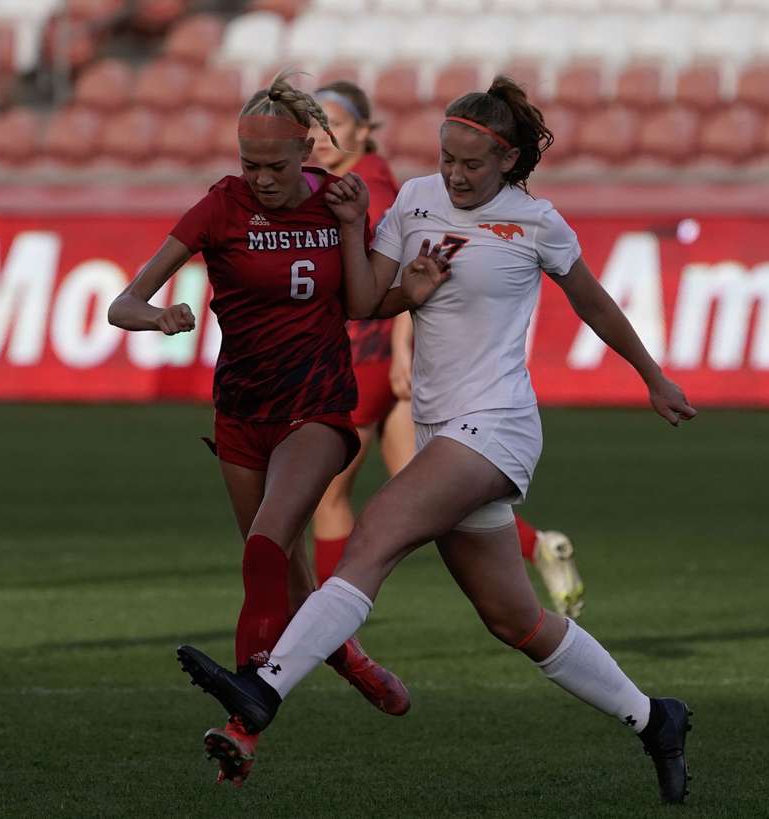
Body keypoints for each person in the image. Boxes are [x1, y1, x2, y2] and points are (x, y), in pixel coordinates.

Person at [177, 77, 698, 804]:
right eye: (447, 157)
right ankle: (655, 718)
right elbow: (365, 301)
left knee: (370, 539)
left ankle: (261, 692)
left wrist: (652, 375)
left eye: (472, 164)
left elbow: (592, 301)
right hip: (437, 429)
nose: (455, 173)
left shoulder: (537, 221)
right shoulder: (416, 198)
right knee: (514, 619)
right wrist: (369, 242)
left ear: (509, 160)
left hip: (496, 426)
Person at [109, 71, 416, 786]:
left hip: (317, 406)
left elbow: (366, 300)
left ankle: (245, 726)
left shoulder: (339, 202)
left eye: (275, 166)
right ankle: (349, 657)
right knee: (294, 575)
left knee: (265, 543)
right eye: (251, 164)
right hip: (241, 412)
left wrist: (385, 257)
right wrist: (158, 316)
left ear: (308, 151)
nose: (261, 178)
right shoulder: (221, 205)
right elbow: (126, 301)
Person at [311, 81, 585, 618]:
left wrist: (400, 351)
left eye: (335, 126)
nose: (321, 139)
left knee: (331, 497)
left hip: (368, 357)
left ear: (365, 132)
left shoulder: (377, 188)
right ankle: (538, 545)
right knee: (427, 486)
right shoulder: (376, 184)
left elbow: (411, 269)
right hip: (396, 361)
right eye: (314, 128)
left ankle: (332, 629)